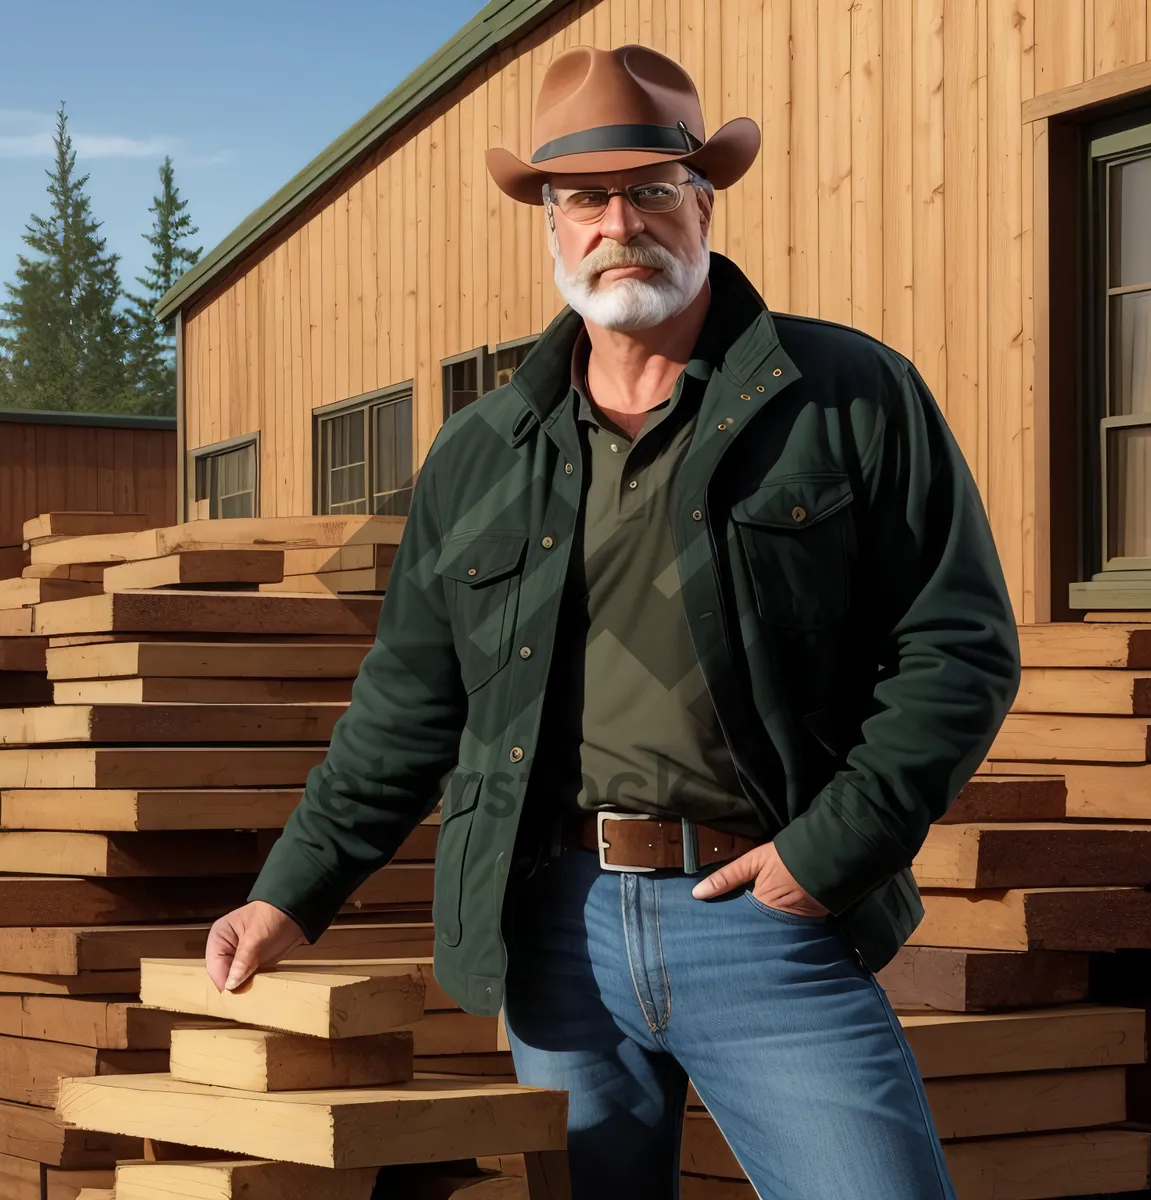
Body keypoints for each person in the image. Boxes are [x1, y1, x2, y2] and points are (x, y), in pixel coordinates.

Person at [206, 44, 1020, 1200]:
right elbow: (407, 705)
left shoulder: (847, 396)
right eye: (583, 198)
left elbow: (960, 647)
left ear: (703, 200)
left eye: (650, 190)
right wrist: (291, 891)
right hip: (554, 934)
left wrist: (824, 855)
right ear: (550, 225)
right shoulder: (481, 451)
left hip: (763, 913)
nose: (618, 223)